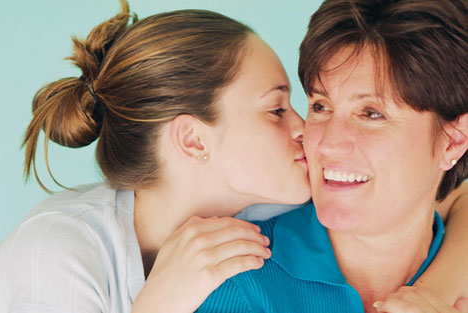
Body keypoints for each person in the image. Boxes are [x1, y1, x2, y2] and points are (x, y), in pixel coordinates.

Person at [0, 1, 466, 313]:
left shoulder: (279, 204)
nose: (313, 135)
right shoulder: (57, 251)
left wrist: (432, 293)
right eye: (278, 110)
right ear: (195, 141)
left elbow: (452, 198)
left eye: (371, 113)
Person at [197, 0, 468, 312]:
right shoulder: (237, 280)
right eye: (321, 106)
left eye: (371, 113)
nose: (327, 144)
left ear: (453, 142)